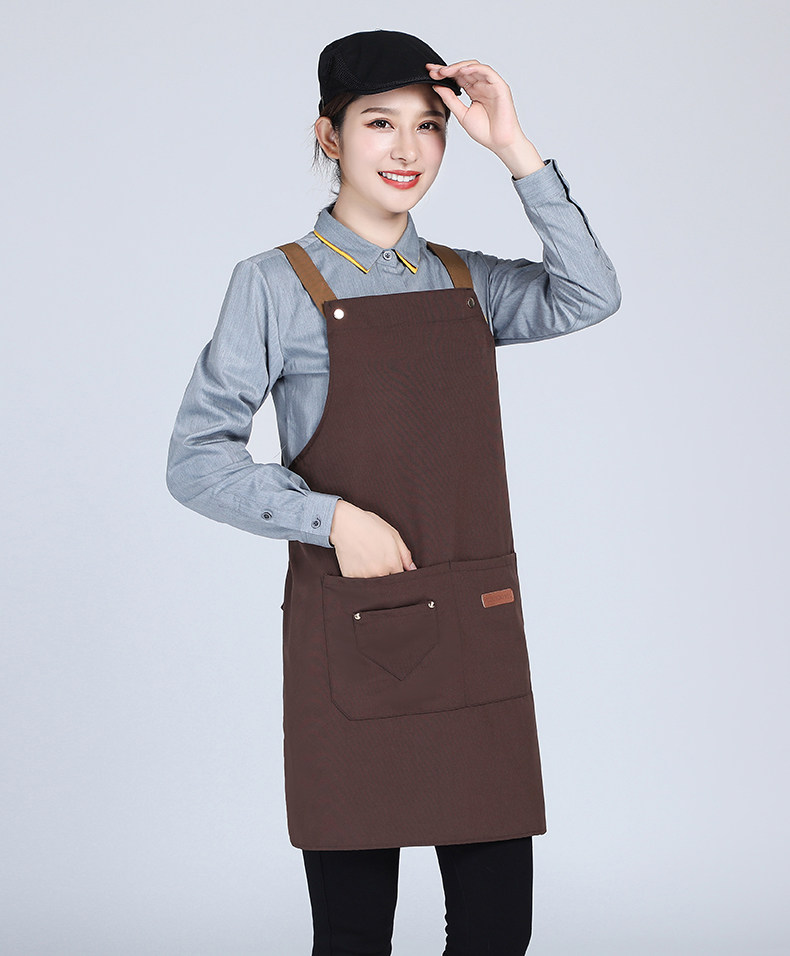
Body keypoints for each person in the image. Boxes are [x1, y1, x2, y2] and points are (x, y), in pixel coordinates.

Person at [167, 28, 621, 956]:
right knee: (354, 938)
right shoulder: (274, 286)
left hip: (475, 636)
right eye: (379, 123)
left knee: (496, 934)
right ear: (329, 136)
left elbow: (590, 294)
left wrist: (514, 148)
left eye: (429, 126)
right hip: (355, 638)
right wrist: (331, 518)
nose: (408, 149)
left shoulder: (467, 281)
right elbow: (197, 460)